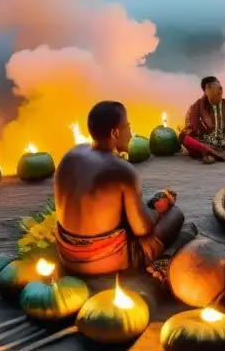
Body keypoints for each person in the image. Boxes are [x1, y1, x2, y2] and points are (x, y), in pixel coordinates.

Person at [54, 101, 195, 277]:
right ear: (115, 133)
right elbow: (142, 229)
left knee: (146, 204)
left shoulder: (70, 155)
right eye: (128, 127)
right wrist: (161, 208)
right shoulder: (123, 170)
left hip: (66, 256)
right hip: (102, 261)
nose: (131, 132)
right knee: (175, 216)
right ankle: (163, 260)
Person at [179, 76, 225, 164]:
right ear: (206, 90)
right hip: (207, 142)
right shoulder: (198, 105)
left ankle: (224, 153)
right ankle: (212, 153)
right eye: (216, 87)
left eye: (220, 87)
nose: (220, 91)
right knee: (183, 137)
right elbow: (194, 129)